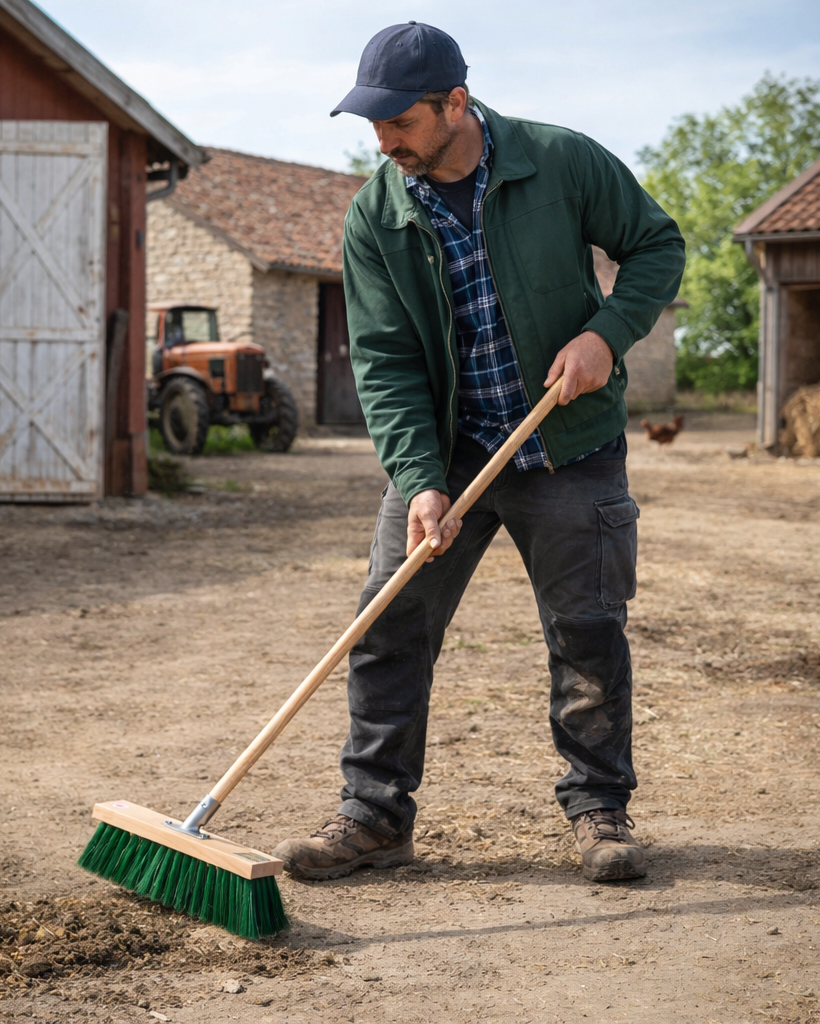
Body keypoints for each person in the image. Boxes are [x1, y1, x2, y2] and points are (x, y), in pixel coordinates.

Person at [273, 22, 685, 883]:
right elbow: (385, 362)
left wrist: (608, 333)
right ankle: (374, 817)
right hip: (450, 451)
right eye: (374, 125)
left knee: (586, 631)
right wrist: (419, 480)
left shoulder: (560, 161)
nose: (384, 142)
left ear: (455, 103)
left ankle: (599, 810)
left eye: (400, 122)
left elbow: (657, 244)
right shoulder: (376, 216)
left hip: (568, 441)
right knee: (388, 624)